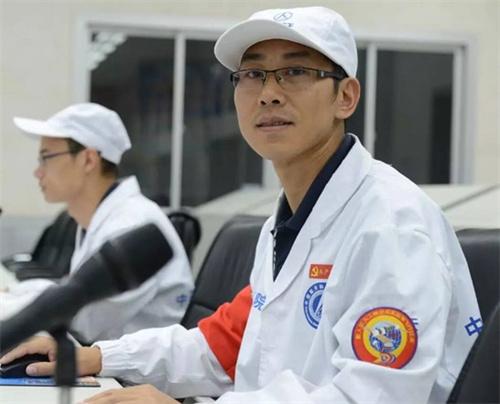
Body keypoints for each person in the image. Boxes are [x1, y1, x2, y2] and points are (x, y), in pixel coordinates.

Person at [0, 7, 481, 403]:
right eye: (251, 75)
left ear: (346, 96)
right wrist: (98, 357)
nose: (268, 93)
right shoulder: (289, 221)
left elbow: (372, 396)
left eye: (295, 71)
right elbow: (223, 345)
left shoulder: (391, 225)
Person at [4, 102, 194, 343]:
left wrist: (9, 304)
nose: (38, 172)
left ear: (88, 160)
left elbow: (82, 321)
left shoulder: (130, 224)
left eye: (46, 158)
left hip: (125, 365)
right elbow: (69, 292)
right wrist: (14, 294)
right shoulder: (100, 219)